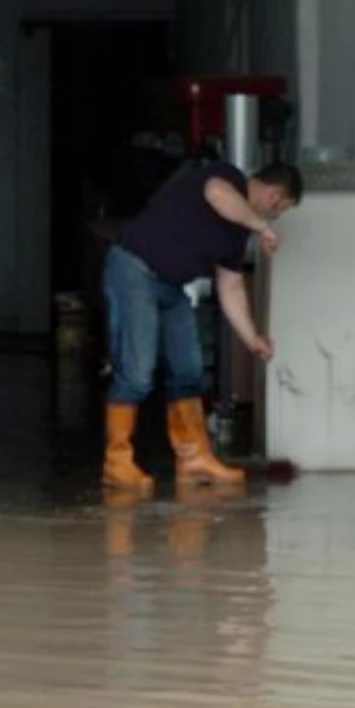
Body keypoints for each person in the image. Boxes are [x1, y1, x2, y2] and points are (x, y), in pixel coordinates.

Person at [101, 159, 303, 491]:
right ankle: (116, 460)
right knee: (137, 373)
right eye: (278, 211)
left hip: (170, 286)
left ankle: (194, 458)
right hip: (134, 270)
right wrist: (262, 227)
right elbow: (216, 195)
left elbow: (231, 286)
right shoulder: (225, 177)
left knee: (188, 371)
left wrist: (252, 338)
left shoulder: (238, 233)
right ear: (275, 196)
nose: (273, 217)